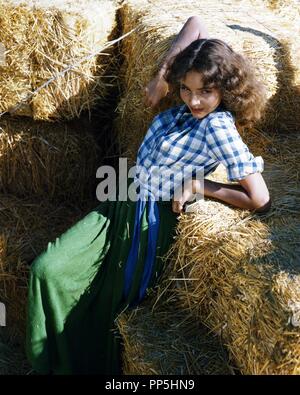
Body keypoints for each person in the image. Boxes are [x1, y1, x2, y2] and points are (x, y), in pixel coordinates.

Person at [26, 17, 271, 375]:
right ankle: (51, 364)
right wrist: (162, 76)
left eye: (205, 91)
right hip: (123, 203)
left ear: (225, 89)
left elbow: (260, 199)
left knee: (104, 304)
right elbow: (195, 24)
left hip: (149, 224)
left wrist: (200, 186)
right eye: (186, 89)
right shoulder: (181, 110)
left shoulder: (219, 126)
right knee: (46, 269)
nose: (194, 100)